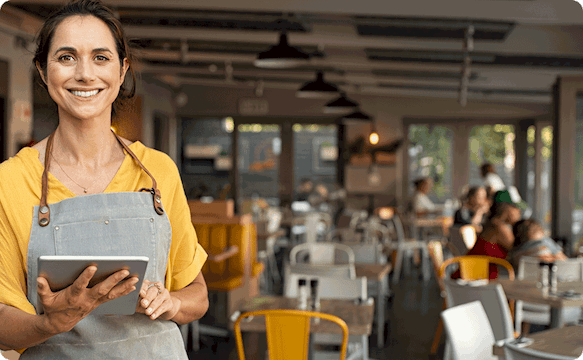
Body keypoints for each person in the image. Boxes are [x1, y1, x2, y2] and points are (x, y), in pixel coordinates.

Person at [0, 1, 208, 358]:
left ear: (122, 68)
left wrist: (170, 303)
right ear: (42, 70)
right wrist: (50, 323)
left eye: (101, 57)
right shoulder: (11, 181)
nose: (84, 74)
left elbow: (197, 294)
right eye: (66, 57)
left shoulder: (158, 171)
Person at [463, 197, 521, 279]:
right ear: (507, 210)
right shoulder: (499, 227)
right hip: (478, 278)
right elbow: (518, 249)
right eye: (516, 209)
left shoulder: (492, 224)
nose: (519, 212)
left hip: (470, 272)